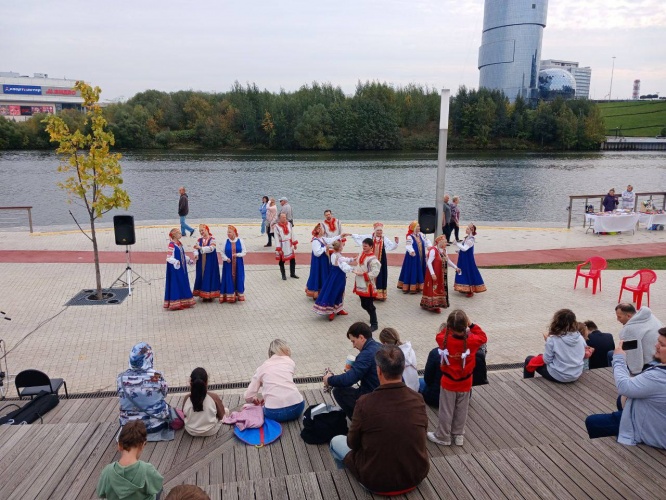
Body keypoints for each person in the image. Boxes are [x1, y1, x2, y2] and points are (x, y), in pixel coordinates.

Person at [329, 346, 429, 495]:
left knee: (336, 440)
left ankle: (348, 484)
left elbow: (352, 443)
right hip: (415, 476)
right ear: (402, 369)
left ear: (379, 371)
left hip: (375, 482)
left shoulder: (364, 403)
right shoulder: (418, 399)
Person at [585, 328, 666, 449]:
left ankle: (607, 452)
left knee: (592, 422)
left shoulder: (658, 377)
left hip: (652, 432)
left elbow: (624, 387)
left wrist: (618, 359)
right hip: (656, 417)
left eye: (662, 344)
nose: (656, 345)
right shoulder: (658, 372)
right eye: (658, 341)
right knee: (621, 400)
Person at [427, 310, 487, 447]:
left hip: (448, 382)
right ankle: (458, 434)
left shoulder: (443, 340)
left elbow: (440, 334)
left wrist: (449, 327)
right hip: (465, 382)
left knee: (446, 410)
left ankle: (443, 436)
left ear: (449, 326)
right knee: (462, 409)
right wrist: (471, 325)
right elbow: (483, 337)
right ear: (465, 325)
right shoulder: (472, 341)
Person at [323, 322, 382, 419]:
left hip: (373, 397)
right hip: (385, 394)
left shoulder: (366, 354)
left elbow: (348, 380)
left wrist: (329, 380)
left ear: (361, 338)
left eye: (353, 341)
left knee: (338, 391)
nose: (353, 346)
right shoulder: (379, 346)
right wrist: (354, 370)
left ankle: (359, 421)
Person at [117, 342, 173, 441]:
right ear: (149, 357)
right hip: (155, 425)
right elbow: (164, 393)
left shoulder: (121, 378)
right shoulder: (156, 376)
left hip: (128, 427)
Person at [96, 420, 164, 500]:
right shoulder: (147, 469)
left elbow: (101, 493)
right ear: (142, 445)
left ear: (119, 445)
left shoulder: (107, 471)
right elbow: (158, 485)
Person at [244, 339, 305, 422]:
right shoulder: (290, 362)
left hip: (273, 412)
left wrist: (254, 399)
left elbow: (248, 396)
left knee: (252, 407)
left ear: (270, 353)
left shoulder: (262, 368)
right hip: (297, 408)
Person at [523, 309, 586, 383]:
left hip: (558, 376)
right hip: (576, 374)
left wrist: (548, 341)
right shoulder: (579, 337)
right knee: (541, 357)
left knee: (529, 359)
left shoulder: (553, 339)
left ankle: (527, 383)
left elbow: (547, 360)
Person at [351, 222, 398, 301]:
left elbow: (391, 247)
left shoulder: (384, 239)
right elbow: (360, 237)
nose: (379, 232)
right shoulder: (370, 237)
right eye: (378, 230)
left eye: (380, 230)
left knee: (380, 275)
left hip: (380, 260)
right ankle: (368, 293)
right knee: (369, 274)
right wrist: (351, 235)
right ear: (375, 230)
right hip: (369, 260)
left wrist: (396, 242)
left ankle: (379, 294)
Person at [616, 303, 663, 375]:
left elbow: (633, 356)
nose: (617, 320)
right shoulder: (650, 316)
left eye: (619, 317)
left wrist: (635, 374)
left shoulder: (629, 330)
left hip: (649, 363)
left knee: (612, 354)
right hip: (661, 356)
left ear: (628, 316)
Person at [313, 239, 353, 320]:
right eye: (342, 245)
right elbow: (344, 264)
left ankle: (339, 308)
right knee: (334, 291)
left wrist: (351, 260)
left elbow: (344, 260)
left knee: (340, 291)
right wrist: (352, 267)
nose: (343, 246)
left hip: (338, 275)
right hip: (336, 276)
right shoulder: (337, 256)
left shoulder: (335, 254)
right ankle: (331, 310)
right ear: (340, 248)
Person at [305, 223, 347, 299]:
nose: (323, 230)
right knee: (318, 274)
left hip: (322, 261)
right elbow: (316, 253)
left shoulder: (322, 239)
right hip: (318, 262)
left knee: (323, 274)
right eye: (321, 228)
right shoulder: (315, 241)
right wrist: (325, 248)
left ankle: (321, 292)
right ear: (319, 230)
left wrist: (340, 236)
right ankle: (317, 293)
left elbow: (330, 240)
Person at [182, 367, 227, 437]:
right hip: (210, 430)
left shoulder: (186, 398)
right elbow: (222, 416)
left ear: (191, 384)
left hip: (190, 431)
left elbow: (184, 415)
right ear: (206, 383)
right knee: (226, 410)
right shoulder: (214, 397)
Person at [421, 235, 460, 313]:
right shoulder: (433, 250)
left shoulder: (444, 250)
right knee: (433, 287)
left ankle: (438, 304)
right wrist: (432, 274)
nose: (446, 243)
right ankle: (431, 304)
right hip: (435, 273)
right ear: (439, 242)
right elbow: (429, 262)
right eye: (445, 242)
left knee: (440, 288)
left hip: (442, 274)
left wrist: (455, 267)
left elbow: (448, 260)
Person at [351, 238, 381, 331]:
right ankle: (372, 316)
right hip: (360, 283)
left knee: (369, 305)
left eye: (366, 246)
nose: (363, 247)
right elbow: (358, 262)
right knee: (363, 304)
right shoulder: (362, 253)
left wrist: (363, 274)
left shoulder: (373, 259)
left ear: (371, 247)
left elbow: (376, 272)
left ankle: (374, 324)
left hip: (367, 284)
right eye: (363, 245)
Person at [164, 228, 195, 311]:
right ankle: (176, 302)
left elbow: (182, 255)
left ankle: (184, 301)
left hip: (182, 269)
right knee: (176, 284)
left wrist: (189, 261)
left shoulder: (179, 244)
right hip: (175, 270)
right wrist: (176, 262)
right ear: (174, 235)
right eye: (179, 233)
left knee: (183, 283)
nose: (181, 234)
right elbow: (168, 257)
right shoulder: (171, 245)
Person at [379, 328, 418, 392]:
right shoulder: (409, 349)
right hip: (415, 386)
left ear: (385, 344)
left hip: (405, 391)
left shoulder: (394, 358)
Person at [453, 223, 486, 298]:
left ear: (471, 230)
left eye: (467, 229)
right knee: (462, 271)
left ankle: (471, 289)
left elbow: (465, 248)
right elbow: (463, 248)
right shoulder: (467, 238)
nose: (466, 229)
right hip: (463, 258)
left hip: (468, 259)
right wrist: (459, 251)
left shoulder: (471, 239)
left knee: (468, 271)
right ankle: (463, 286)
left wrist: (456, 244)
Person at [397, 221, 430, 294]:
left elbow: (427, 241)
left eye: (419, 226)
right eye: (417, 226)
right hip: (413, 256)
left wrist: (429, 246)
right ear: (413, 228)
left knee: (420, 268)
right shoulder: (410, 236)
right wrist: (411, 251)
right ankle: (410, 286)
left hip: (421, 256)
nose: (419, 228)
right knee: (413, 270)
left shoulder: (421, 235)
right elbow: (408, 245)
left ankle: (419, 286)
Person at [192, 224, 220, 301]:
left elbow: (211, 248)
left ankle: (210, 294)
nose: (201, 232)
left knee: (209, 275)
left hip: (210, 261)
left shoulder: (212, 239)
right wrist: (196, 254)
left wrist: (201, 248)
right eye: (200, 231)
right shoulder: (199, 240)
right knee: (201, 275)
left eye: (202, 231)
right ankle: (202, 293)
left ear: (207, 230)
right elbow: (195, 249)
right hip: (201, 261)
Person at [219, 225, 246, 303]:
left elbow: (244, 252)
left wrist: (237, 255)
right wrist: (226, 258)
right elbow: (221, 252)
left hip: (238, 264)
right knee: (228, 278)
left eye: (230, 232)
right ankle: (229, 295)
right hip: (228, 264)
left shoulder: (240, 241)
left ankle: (238, 294)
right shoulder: (225, 241)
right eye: (227, 232)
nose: (228, 234)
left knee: (239, 277)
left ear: (234, 233)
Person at [274, 213, 299, 280]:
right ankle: (283, 275)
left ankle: (292, 273)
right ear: (280, 218)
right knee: (282, 260)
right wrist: (278, 248)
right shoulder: (276, 227)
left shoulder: (289, 224)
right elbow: (276, 238)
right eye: (283, 217)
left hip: (289, 243)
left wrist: (294, 243)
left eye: (285, 217)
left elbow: (292, 233)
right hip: (282, 244)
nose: (284, 218)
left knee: (292, 259)